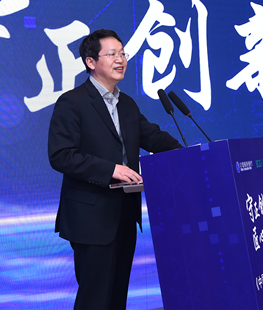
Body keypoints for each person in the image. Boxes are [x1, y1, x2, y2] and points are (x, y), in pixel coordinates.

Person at [48, 29, 182, 309]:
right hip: (91, 218)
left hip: (124, 213)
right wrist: (111, 169)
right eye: (111, 54)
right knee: (95, 300)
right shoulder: (73, 102)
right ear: (91, 62)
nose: (120, 59)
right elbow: (61, 155)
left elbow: (153, 137)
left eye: (122, 53)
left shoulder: (127, 104)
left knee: (117, 297)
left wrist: (190, 153)